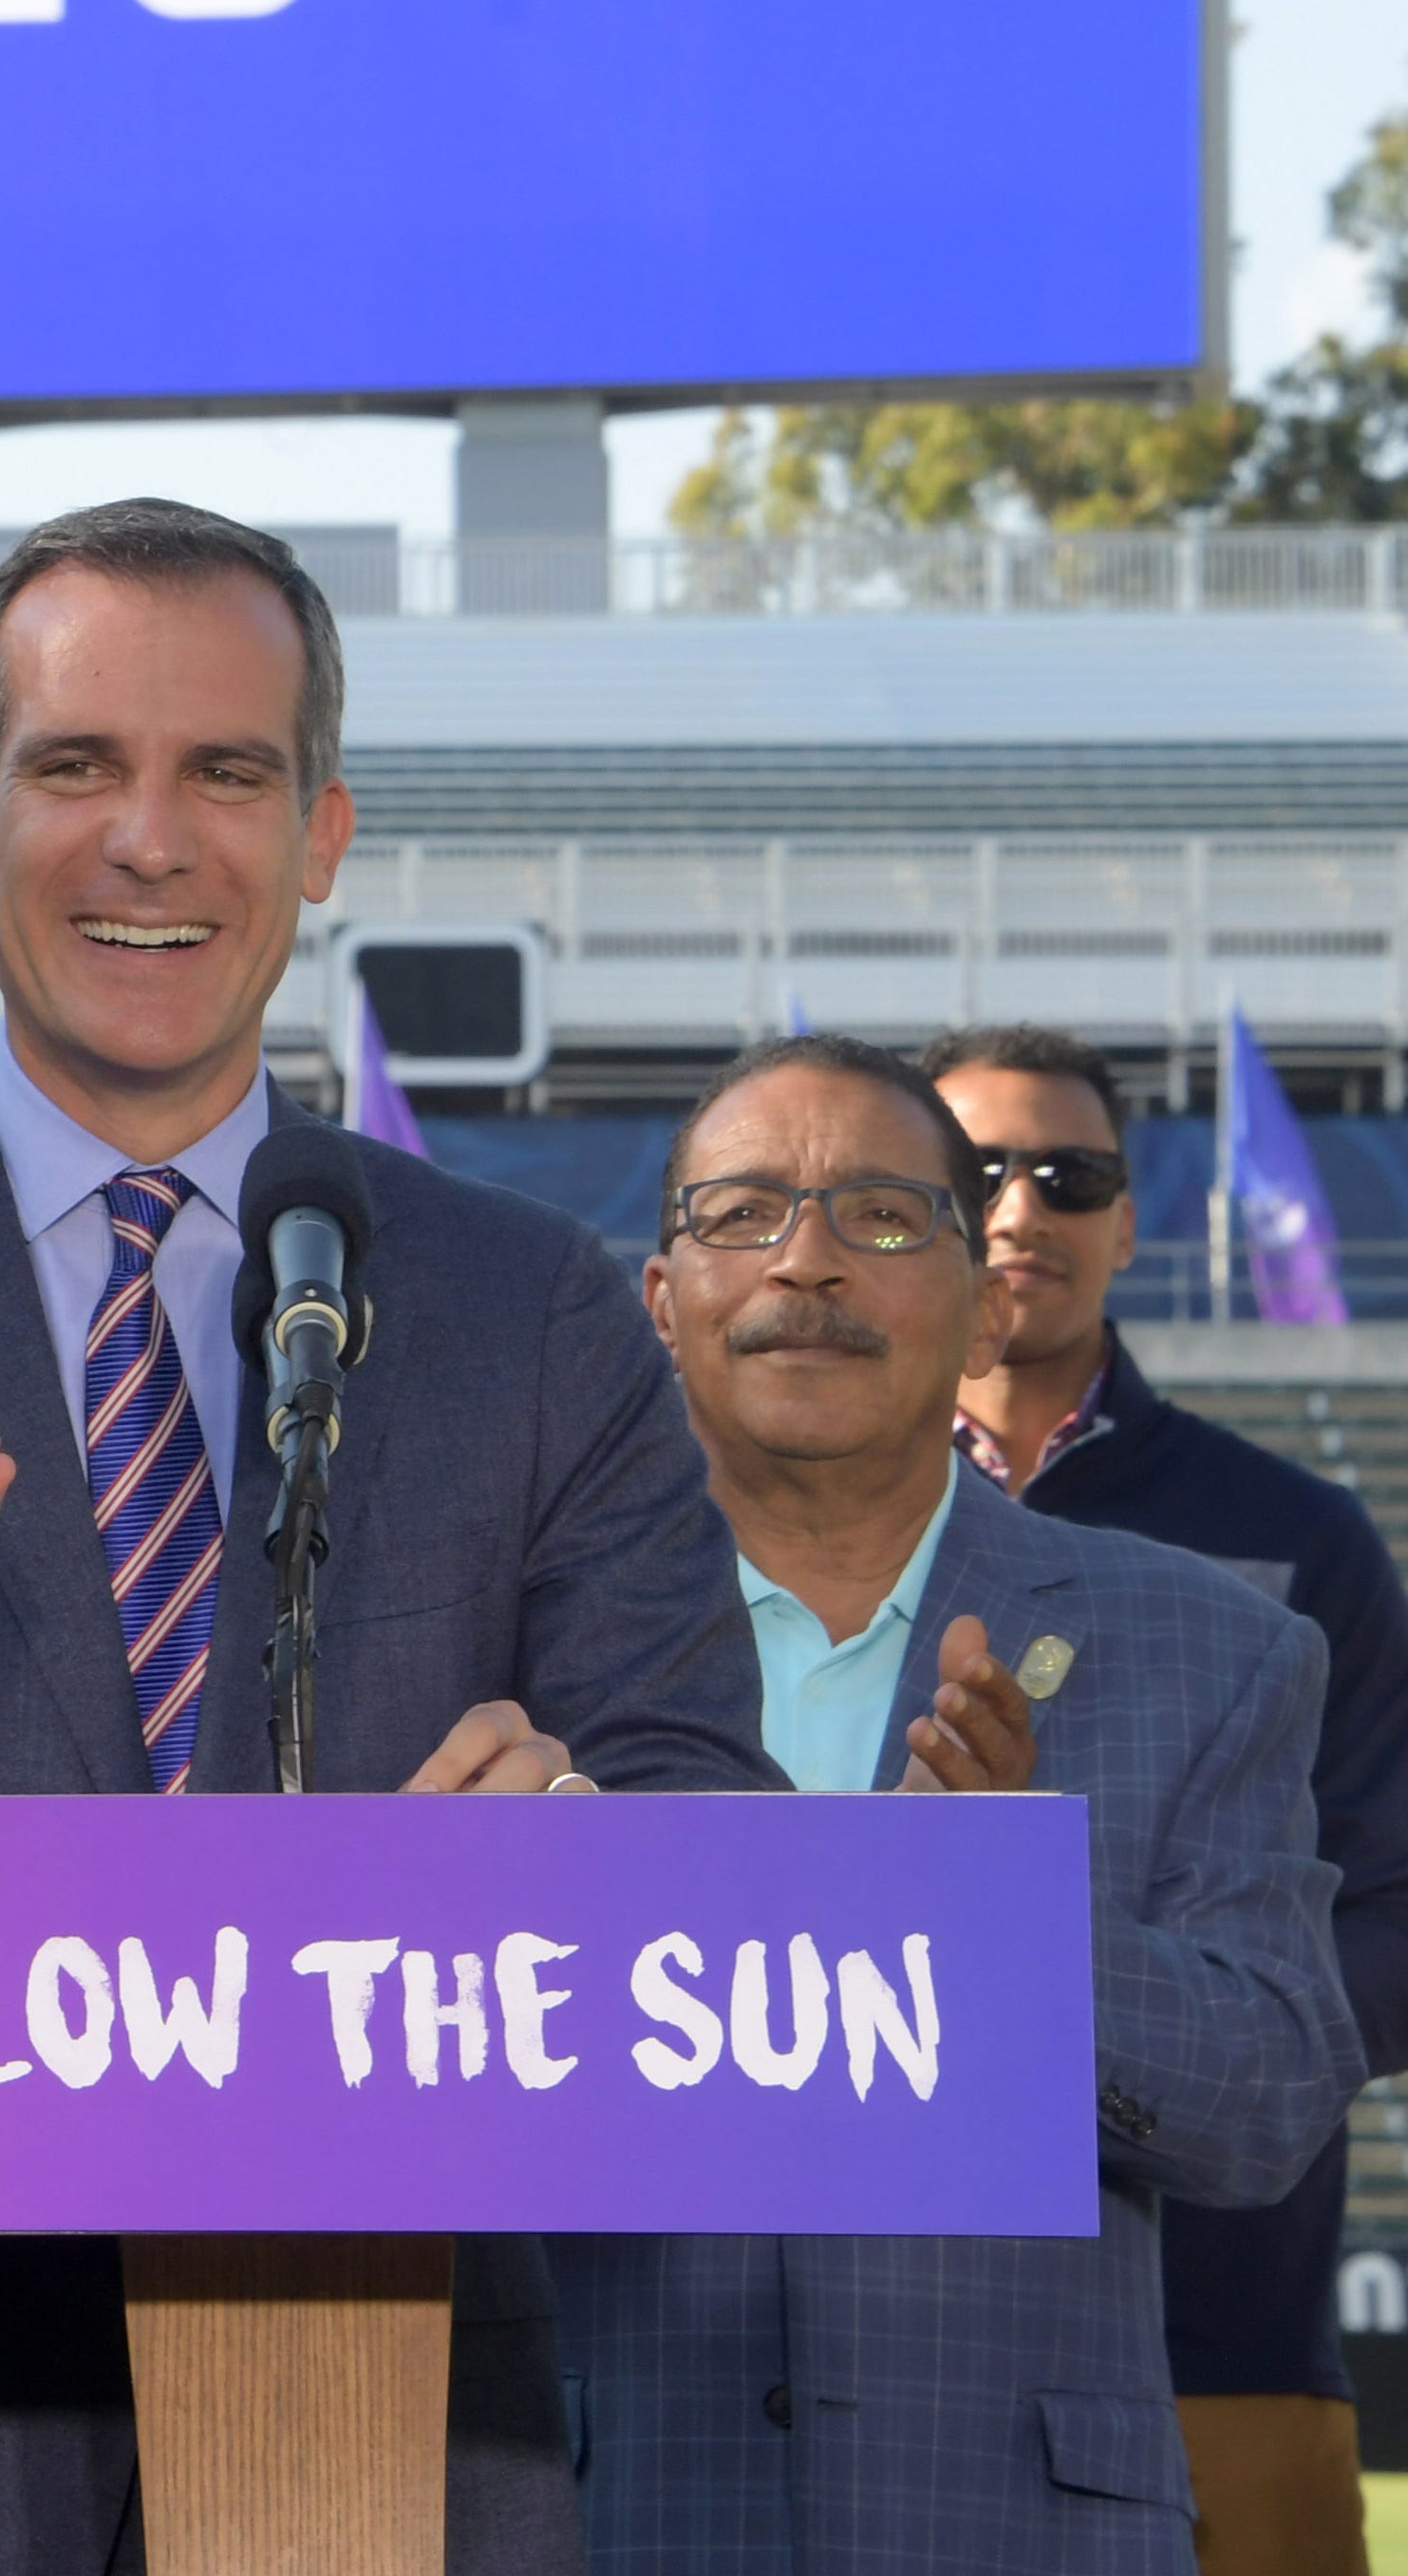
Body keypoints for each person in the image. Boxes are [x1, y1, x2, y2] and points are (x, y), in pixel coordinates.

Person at [0, 498, 782, 2576]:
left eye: (226, 770)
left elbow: (703, 1830)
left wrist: (579, 1838)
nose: (152, 838)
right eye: (76, 766)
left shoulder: (529, 1304)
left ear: (321, 831)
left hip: (382, 2420)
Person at [553, 1032, 1364, 2573]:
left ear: (987, 1294)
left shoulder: (1218, 1649)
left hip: (1010, 2522)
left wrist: (1005, 1912)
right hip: (608, 2510)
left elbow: (1265, 2109)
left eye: (878, 1215)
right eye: (740, 1214)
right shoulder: (505, 1641)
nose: (808, 1263)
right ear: (661, 1302)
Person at [924, 1022, 1408, 2576]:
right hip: (864, 2315)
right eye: (975, 1171)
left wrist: (1165, 2056)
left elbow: (1394, 1911)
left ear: (1131, 1223)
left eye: (1070, 1176)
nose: (1019, 1210)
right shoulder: (764, 1522)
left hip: (1221, 2321)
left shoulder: (1296, 1539)